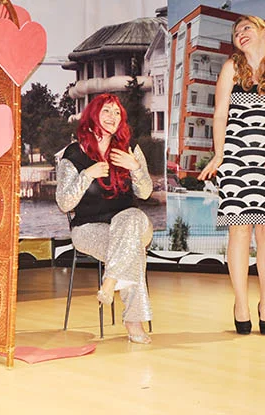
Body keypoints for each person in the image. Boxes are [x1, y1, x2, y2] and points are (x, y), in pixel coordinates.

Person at [197, 16, 265, 335]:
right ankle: (241, 303)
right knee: (239, 232)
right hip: (235, 156)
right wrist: (219, 154)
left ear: (263, 32)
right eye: (236, 31)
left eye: (247, 28)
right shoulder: (231, 67)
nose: (240, 33)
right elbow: (219, 115)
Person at [56, 93, 154, 344]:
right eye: (107, 111)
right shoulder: (73, 154)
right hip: (89, 228)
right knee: (131, 250)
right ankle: (133, 322)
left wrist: (135, 167)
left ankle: (110, 281)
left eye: (117, 112)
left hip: (132, 223)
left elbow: (145, 193)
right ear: (93, 115)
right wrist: (87, 175)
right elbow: (64, 203)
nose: (113, 117)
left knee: (131, 219)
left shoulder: (129, 149)